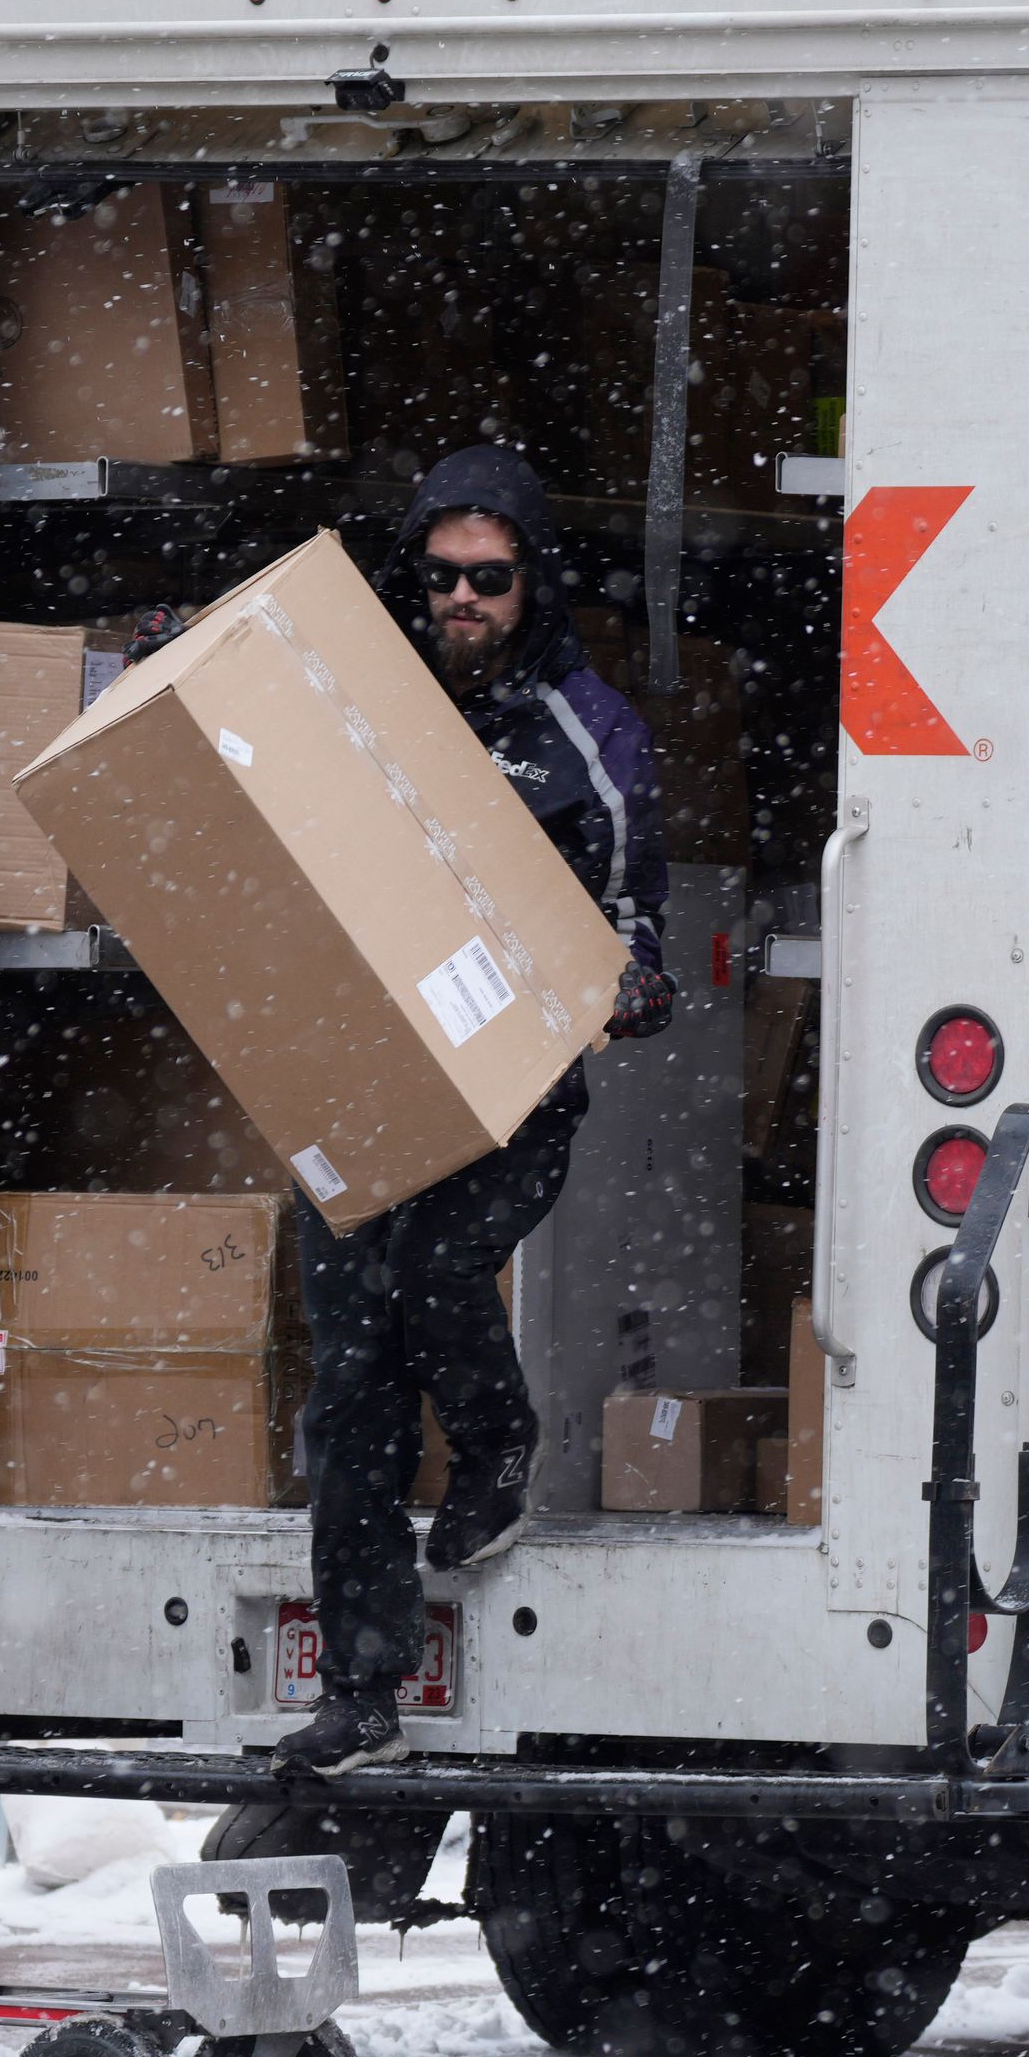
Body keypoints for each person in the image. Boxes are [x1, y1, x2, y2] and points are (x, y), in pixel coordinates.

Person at [271, 445, 675, 1777]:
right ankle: (363, 1691)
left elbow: (635, 931)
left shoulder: (588, 734)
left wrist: (633, 983)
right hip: (357, 1078)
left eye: (487, 579)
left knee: (440, 1272)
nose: (461, 600)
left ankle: (497, 1449)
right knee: (348, 1384)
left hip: (515, 1092)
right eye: (440, 577)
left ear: (530, 581)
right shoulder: (363, 702)